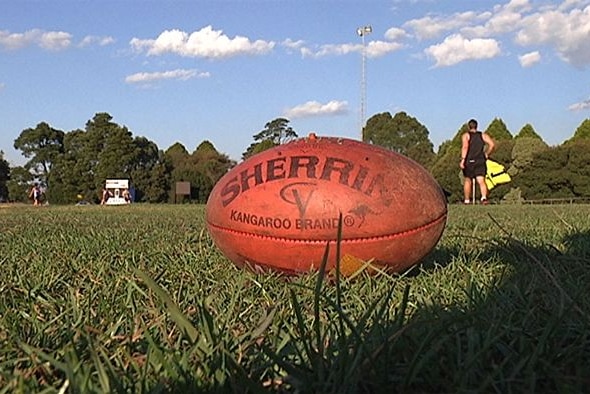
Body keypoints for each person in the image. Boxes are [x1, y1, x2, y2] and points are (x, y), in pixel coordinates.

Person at [460, 119, 495, 204]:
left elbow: (465, 147)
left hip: (469, 160)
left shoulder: (466, 136)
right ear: (477, 126)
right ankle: (483, 198)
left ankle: (467, 200)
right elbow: (492, 144)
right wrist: (487, 153)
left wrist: (462, 160)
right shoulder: (482, 135)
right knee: (481, 181)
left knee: (468, 180)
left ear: (469, 126)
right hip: (480, 160)